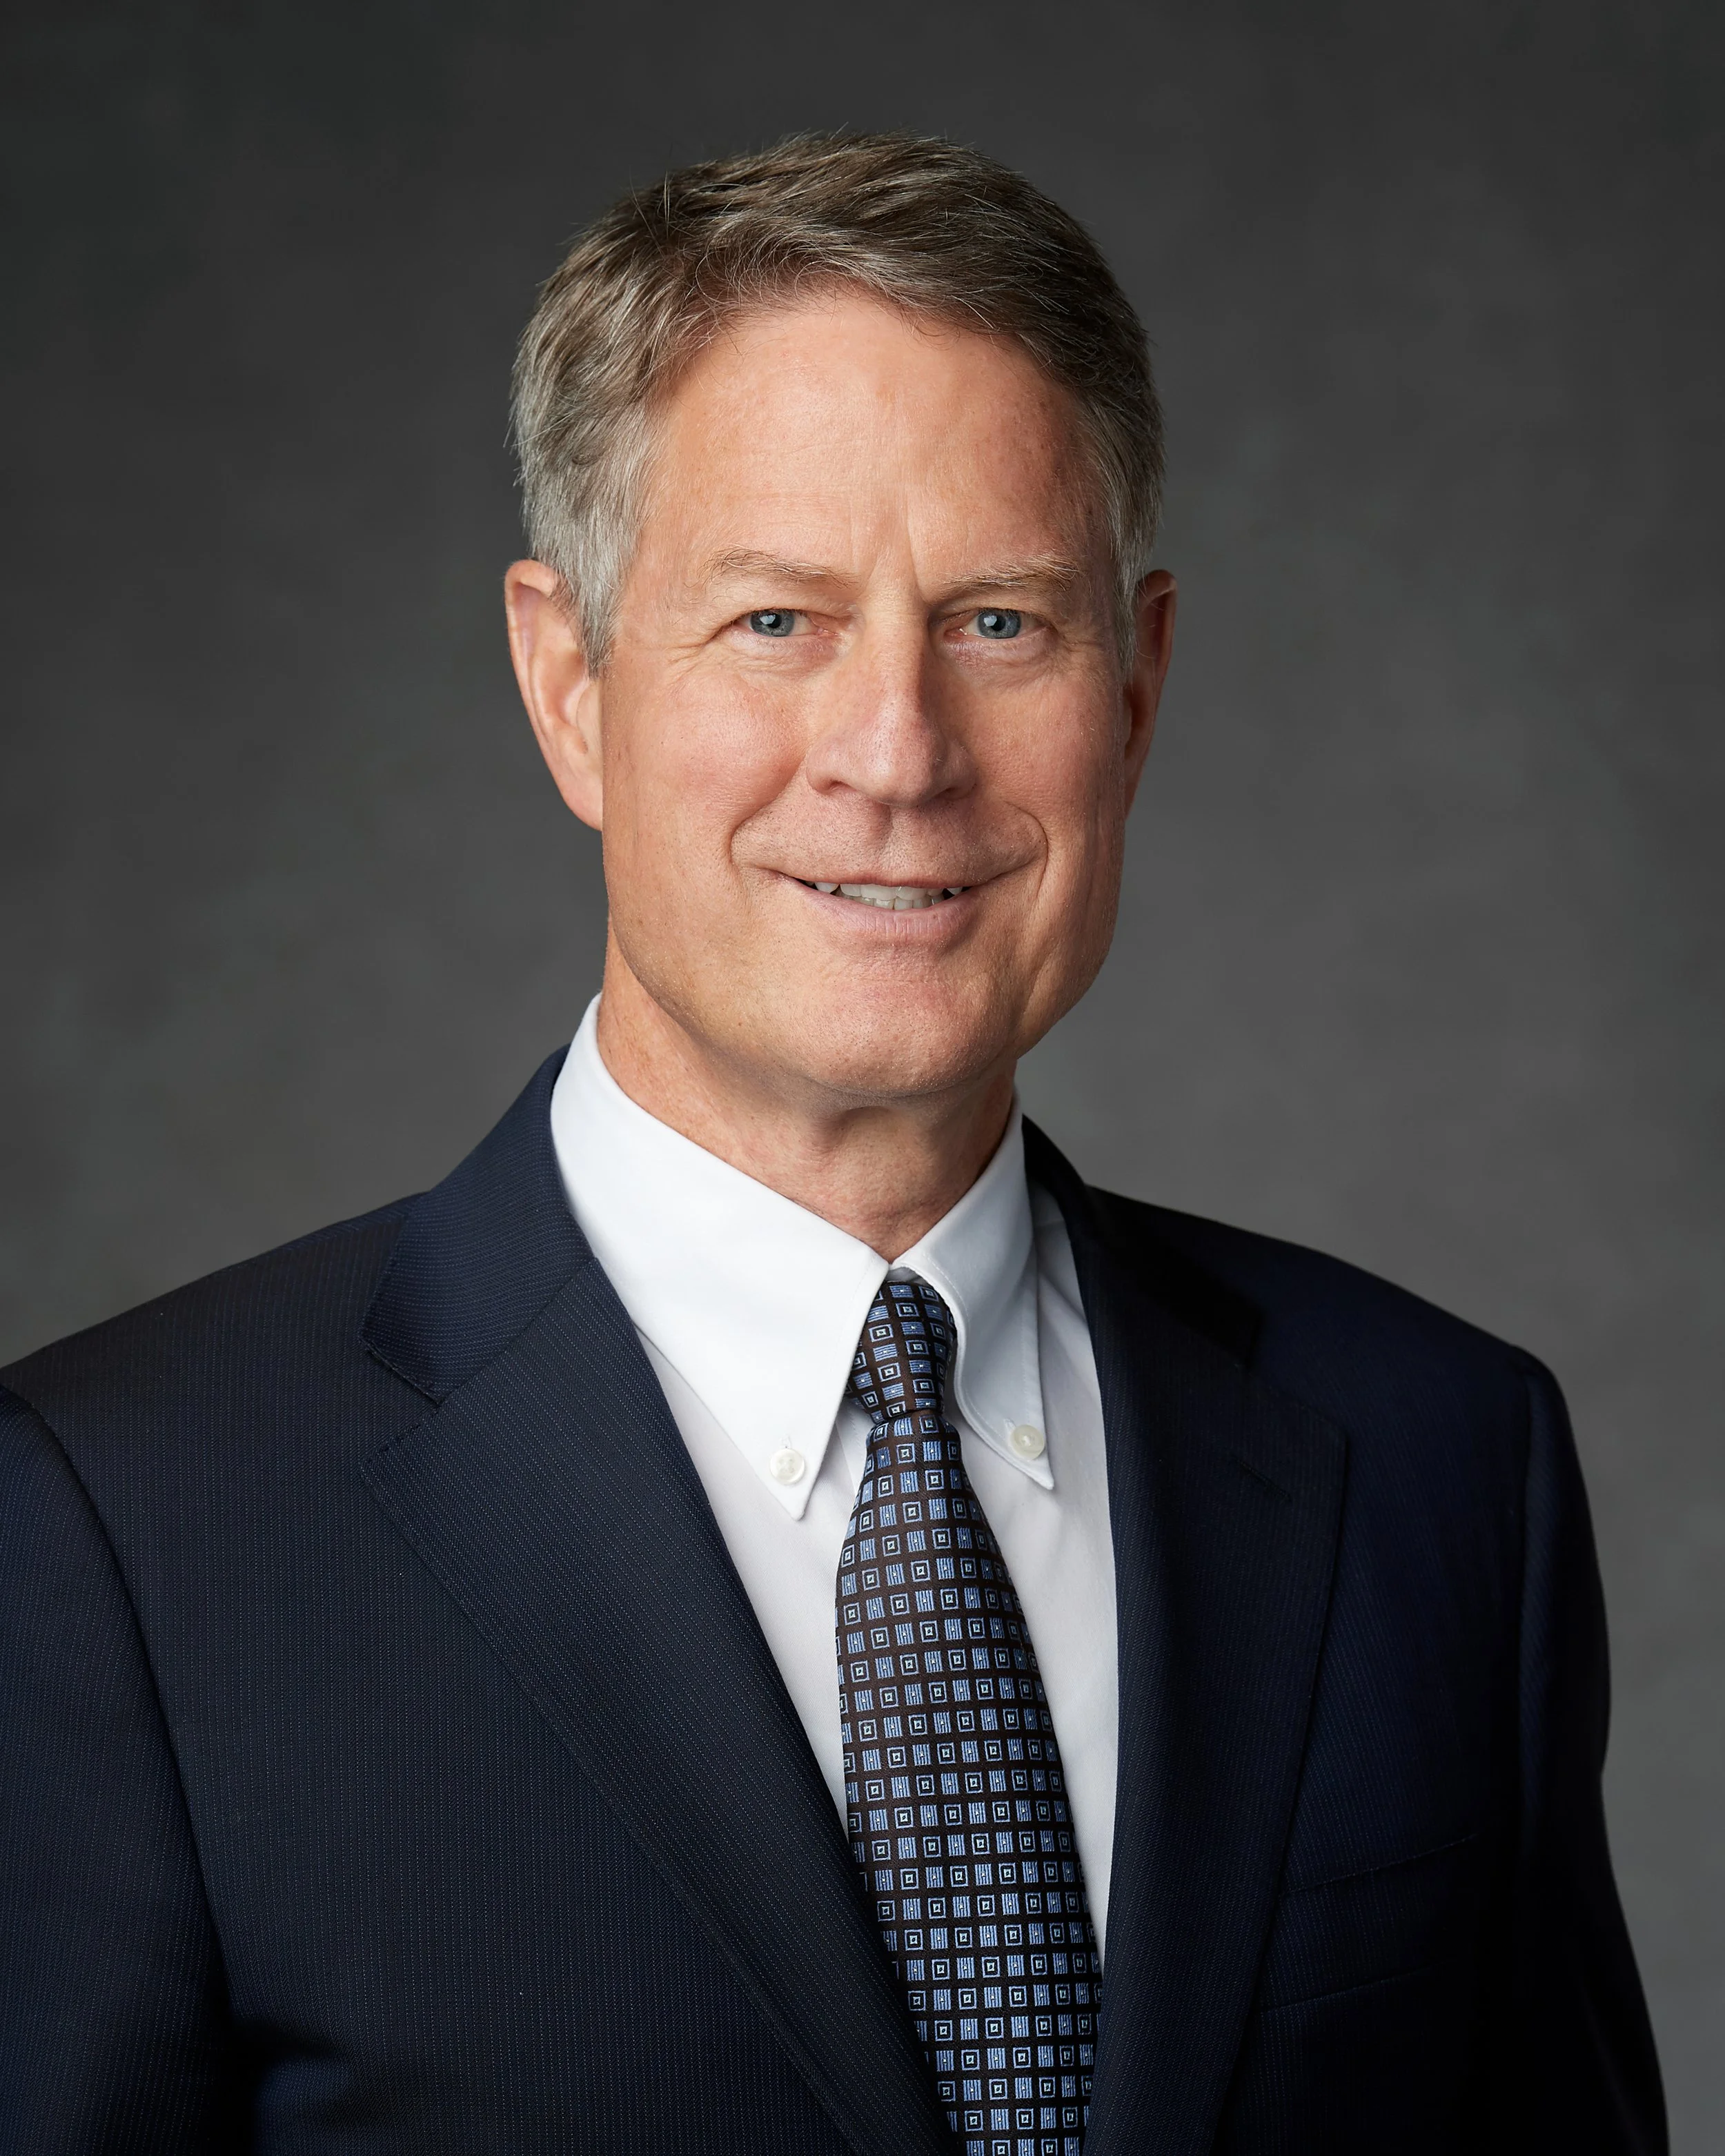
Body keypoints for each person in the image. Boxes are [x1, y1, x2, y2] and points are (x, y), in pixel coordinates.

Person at [0, 132, 1664, 2156]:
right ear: (568, 682)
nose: (895, 751)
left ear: (1133, 690)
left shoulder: (1437, 1467)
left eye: (997, 621)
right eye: (779, 621)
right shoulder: (116, 1533)